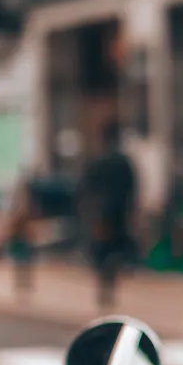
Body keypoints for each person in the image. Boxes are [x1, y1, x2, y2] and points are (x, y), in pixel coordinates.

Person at [82, 121, 140, 308]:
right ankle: (109, 286)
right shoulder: (123, 162)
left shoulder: (99, 161)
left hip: (103, 215)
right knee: (114, 252)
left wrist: (92, 214)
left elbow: (88, 189)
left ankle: (105, 288)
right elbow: (133, 190)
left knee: (104, 252)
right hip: (119, 214)